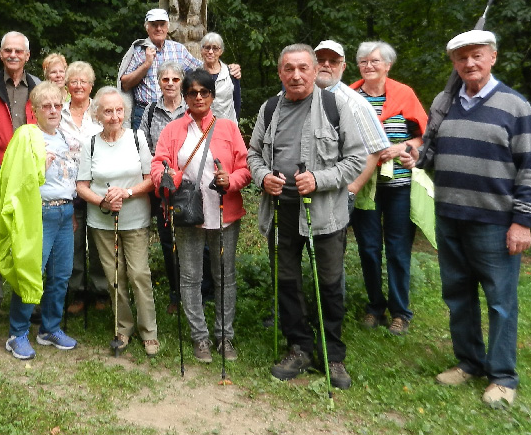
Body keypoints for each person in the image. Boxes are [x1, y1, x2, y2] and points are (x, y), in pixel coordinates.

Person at [404, 29, 531, 408]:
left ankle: (502, 376)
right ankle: (469, 362)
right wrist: (413, 156)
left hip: (494, 222)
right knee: (458, 296)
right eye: (462, 58)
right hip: (448, 215)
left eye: (477, 55)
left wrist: (523, 222)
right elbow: (430, 152)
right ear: (454, 63)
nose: (469, 63)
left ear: (492, 57)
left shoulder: (515, 106)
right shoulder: (444, 103)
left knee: (500, 301)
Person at [247, 44, 366, 390]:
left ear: (315, 71)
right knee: (286, 282)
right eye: (288, 69)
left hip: (325, 212)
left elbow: (357, 160)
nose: (295, 75)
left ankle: (333, 354)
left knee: (329, 284)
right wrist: (261, 177)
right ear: (280, 73)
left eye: (302, 68)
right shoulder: (270, 108)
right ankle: (298, 347)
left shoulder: (335, 105)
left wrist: (319, 179)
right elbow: (253, 153)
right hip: (281, 212)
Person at [151, 69, 250, 362]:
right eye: (192, 93)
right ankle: (200, 337)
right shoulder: (172, 130)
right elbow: (158, 165)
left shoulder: (228, 129)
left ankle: (225, 336)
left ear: (212, 95)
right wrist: (167, 178)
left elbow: (245, 168)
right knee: (191, 277)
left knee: (225, 277)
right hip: (187, 213)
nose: (198, 97)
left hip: (224, 212)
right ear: (185, 97)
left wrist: (229, 180)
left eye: (203, 92)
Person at [348, 41, 428, 336]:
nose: (368, 66)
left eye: (374, 61)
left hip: (398, 186)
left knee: (397, 249)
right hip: (364, 184)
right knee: (368, 249)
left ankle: (400, 312)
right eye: (363, 62)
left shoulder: (404, 93)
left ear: (388, 66)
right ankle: (374, 307)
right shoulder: (350, 95)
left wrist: (402, 147)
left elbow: (423, 135)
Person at [76, 87, 159, 357]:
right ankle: (123, 328)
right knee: (114, 276)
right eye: (108, 111)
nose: (114, 116)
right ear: (98, 114)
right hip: (102, 222)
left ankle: (149, 332)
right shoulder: (90, 143)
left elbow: (150, 178)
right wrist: (102, 201)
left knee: (139, 274)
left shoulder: (137, 138)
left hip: (135, 218)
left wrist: (127, 192)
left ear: (125, 112)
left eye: (119, 110)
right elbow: (82, 185)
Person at [4, 81, 81, 360]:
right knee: (30, 273)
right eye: (45, 106)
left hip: (64, 212)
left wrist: (70, 206)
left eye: (57, 105)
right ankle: (17, 334)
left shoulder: (65, 136)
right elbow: (13, 178)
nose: (52, 110)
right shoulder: (26, 135)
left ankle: (49, 328)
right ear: (34, 109)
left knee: (60, 276)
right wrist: (39, 166)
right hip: (38, 213)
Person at [0, 31, 41, 330]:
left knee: (27, 239)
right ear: (0, 54)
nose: (13, 55)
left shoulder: (38, 87)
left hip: (27, 175)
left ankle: (27, 298)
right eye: (8, 50)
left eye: (19, 51)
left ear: (28, 56)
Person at [118, 9, 241, 129]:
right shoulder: (138, 50)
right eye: (154, 25)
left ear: (168, 27)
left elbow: (203, 69)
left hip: (176, 113)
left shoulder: (178, 49)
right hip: (146, 113)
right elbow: (125, 84)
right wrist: (146, 64)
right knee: (146, 149)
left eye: (162, 24)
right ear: (147, 27)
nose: (159, 28)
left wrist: (228, 69)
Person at [139, 62, 188, 315]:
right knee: (168, 241)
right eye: (165, 79)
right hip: (161, 187)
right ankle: (174, 292)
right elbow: (144, 147)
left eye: (175, 79)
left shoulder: (191, 109)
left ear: (182, 81)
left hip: (189, 185)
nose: (170, 83)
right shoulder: (149, 112)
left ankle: (196, 291)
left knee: (192, 239)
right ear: (158, 82)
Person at [313, 40, 390, 201]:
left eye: (333, 61)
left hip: (335, 196)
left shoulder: (355, 103)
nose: (326, 65)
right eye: (320, 60)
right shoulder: (293, 97)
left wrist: (352, 189)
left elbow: (375, 149)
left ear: (343, 67)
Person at [59, 62, 106, 315]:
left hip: (97, 187)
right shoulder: (59, 112)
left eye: (83, 81)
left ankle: (101, 290)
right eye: (73, 81)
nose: (78, 86)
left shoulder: (101, 112)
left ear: (91, 85)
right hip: (68, 190)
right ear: (67, 85)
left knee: (99, 243)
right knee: (73, 243)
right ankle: (76, 291)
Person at [199, 32, 241, 122]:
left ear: (221, 51)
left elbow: (237, 103)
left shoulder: (231, 74)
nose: (210, 52)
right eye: (207, 48)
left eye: (215, 48)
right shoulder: (195, 75)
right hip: (201, 129)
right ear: (201, 50)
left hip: (226, 128)